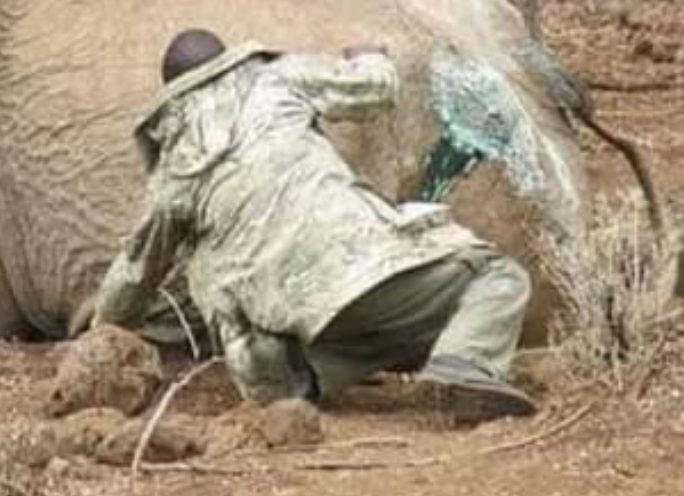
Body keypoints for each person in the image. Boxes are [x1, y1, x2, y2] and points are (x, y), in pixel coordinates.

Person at [89, 29, 537, 423]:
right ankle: (464, 365)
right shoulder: (275, 78)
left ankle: (288, 369)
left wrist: (96, 341)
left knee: (294, 320)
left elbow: (133, 273)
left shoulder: (172, 172)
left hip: (266, 351)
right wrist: (370, 56)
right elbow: (370, 91)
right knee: (498, 276)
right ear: (228, 60)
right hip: (353, 274)